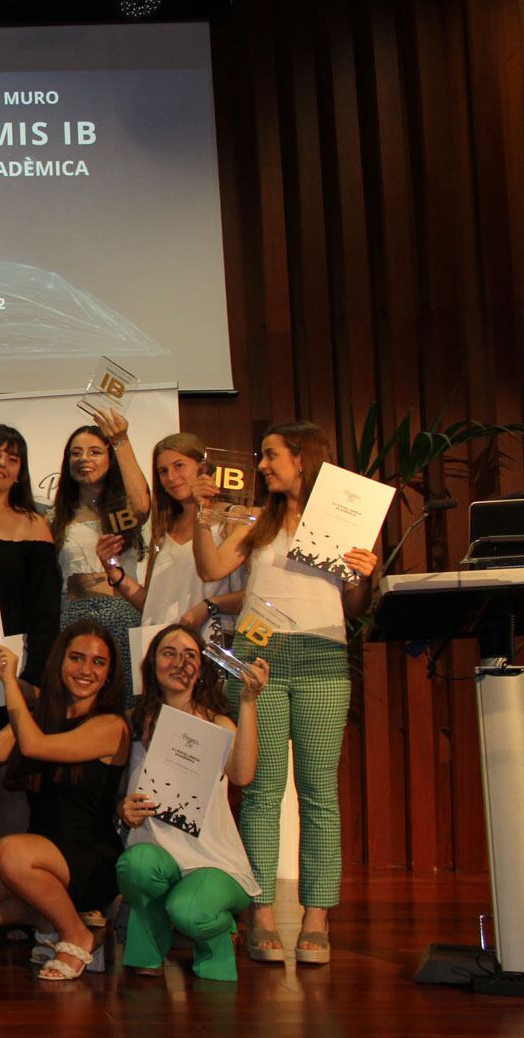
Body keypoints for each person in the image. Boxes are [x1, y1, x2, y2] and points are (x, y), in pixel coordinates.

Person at [190, 421, 380, 967]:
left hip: (323, 660)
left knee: (320, 793)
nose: (263, 466)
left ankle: (318, 916)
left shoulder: (341, 522)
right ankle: (262, 912)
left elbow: (354, 602)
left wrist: (363, 575)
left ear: (303, 458)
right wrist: (205, 517)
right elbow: (211, 568)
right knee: (261, 790)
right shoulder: (257, 520)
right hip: (258, 662)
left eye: (272, 456)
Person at [0, 626, 130, 981]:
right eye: (77, 658)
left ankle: (77, 934)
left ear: (109, 674)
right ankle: (49, 920)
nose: (86, 670)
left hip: (89, 859)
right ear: (60, 661)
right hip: (40, 855)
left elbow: (34, 746)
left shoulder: (111, 726)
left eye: (98, 663)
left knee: (9, 851)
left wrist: (9, 681)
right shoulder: (44, 717)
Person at [116, 624, 267, 980]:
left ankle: (219, 932)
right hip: (156, 855)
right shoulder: (133, 725)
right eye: (169, 653)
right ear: (152, 663)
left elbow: (243, 775)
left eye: (190, 655)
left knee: (190, 910)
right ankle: (148, 951)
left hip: (212, 861)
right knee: (135, 867)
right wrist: (123, 809)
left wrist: (249, 701)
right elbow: (117, 795)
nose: (179, 662)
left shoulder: (218, 723)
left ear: (201, 668)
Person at [0, 425, 62, 867]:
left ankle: (17, 888)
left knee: (6, 774)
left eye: (12, 457)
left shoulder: (34, 524)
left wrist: (34, 680)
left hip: (4, 668)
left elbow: (45, 614)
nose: (1, 462)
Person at [49, 412, 151, 700]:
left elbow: (142, 504)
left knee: (125, 701)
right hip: (74, 619)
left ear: (110, 458)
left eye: (95, 452)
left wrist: (121, 440)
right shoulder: (56, 518)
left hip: (122, 615)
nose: (84, 459)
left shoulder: (121, 514)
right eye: (76, 453)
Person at [113, 433, 245, 634]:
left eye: (179, 466)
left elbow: (255, 593)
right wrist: (116, 575)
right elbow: (155, 605)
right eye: (163, 471)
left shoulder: (234, 517)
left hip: (211, 643)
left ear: (203, 466)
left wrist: (209, 606)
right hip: (160, 646)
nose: (172, 477)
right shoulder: (162, 528)